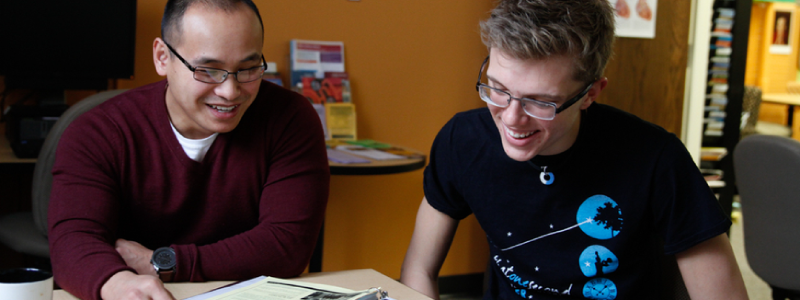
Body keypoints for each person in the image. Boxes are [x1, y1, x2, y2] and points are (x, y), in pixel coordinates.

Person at [400, 0, 749, 299]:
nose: (511, 118)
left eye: (540, 102)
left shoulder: (657, 159)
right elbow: (418, 269)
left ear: (591, 93)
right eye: (497, 88)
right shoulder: (462, 140)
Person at [47, 1, 330, 299]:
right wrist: (117, 283)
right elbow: (73, 242)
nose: (230, 92)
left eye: (248, 69)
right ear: (162, 57)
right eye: (208, 70)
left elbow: (287, 246)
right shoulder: (99, 131)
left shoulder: (290, 118)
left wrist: (161, 262)